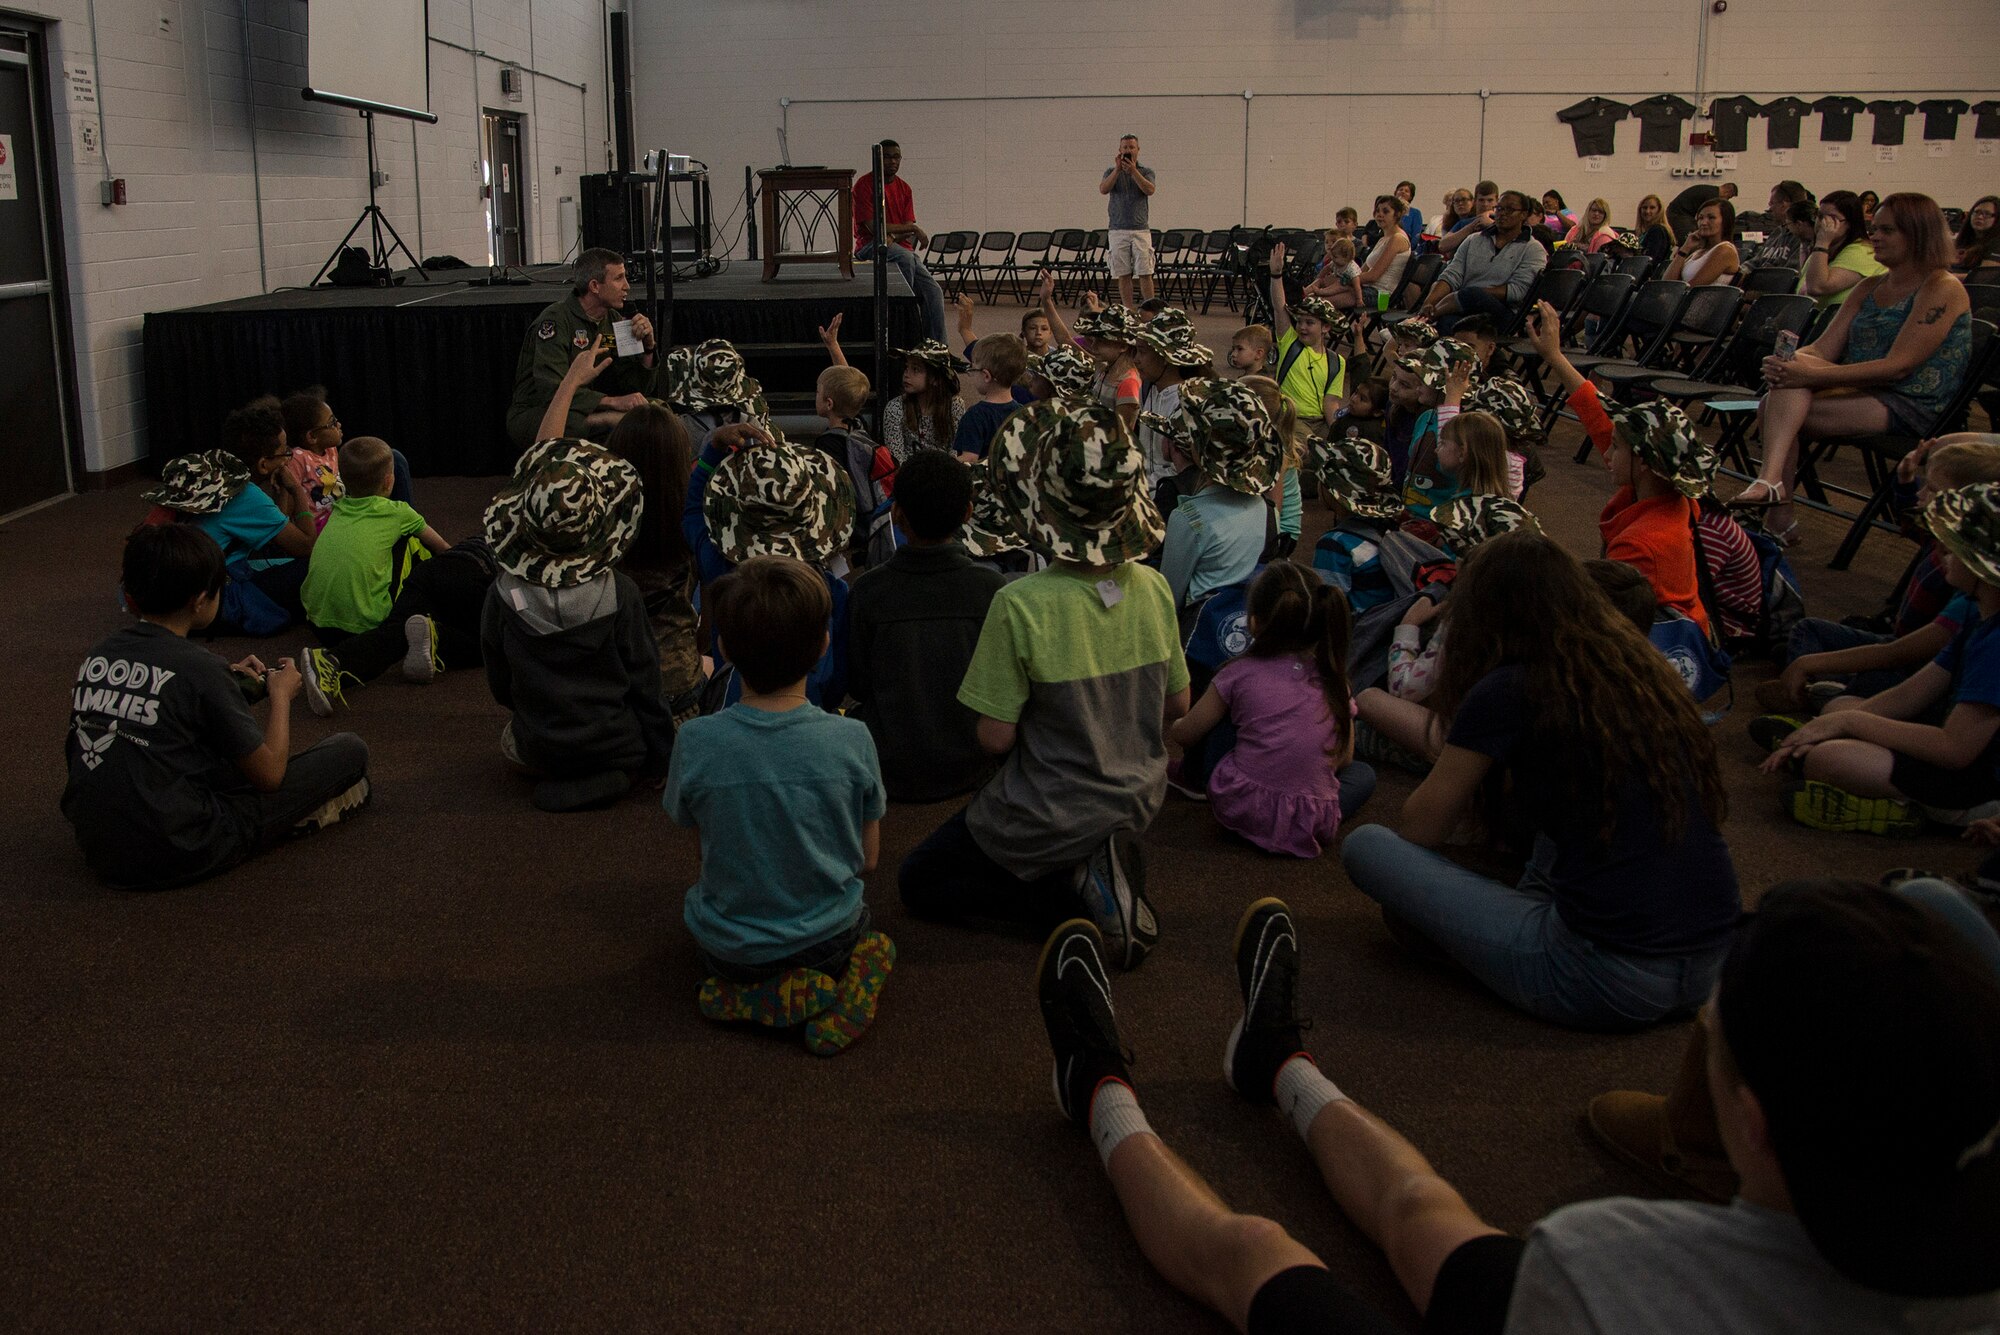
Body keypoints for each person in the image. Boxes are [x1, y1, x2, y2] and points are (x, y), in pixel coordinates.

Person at [1032, 877, 2000, 1335]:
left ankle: (1097, 1086)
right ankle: (1277, 1060)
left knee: (1249, 1252)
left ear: (1752, 1126)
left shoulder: (1605, 1266)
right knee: (1422, 1209)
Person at [1343, 529, 1739, 1029]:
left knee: (1368, 846)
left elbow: (1421, 827)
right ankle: (1522, 915)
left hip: (1607, 977)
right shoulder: (1642, 673)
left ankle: (1514, 939)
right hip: (1714, 967)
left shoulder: (1510, 687)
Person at [898, 401, 1189, 969]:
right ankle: (1093, 868)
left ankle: (1072, 898)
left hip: (1047, 810)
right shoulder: (1154, 588)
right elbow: (1178, 704)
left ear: (1043, 506)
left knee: (919, 880)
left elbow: (994, 738)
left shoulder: (1019, 603)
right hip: (1137, 799)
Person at [666, 555, 893, 1056]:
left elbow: (699, 842)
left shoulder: (696, 740)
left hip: (729, 952)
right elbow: (868, 859)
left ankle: (744, 996)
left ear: (724, 647)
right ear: (824, 645)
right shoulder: (853, 739)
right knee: (873, 938)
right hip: (830, 944)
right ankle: (852, 981)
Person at [63, 524, 371, 890]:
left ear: (132, 595)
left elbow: (156, 709)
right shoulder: (201, 669)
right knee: (349, 750)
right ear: (199, 600)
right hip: (184, 847)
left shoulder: (98, 655)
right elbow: (270, 775)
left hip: (99, 847)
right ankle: (290, 820)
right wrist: (280, 696)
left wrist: (228, 685)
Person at [1733, 193, 1974, 540]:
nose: (1875, 237)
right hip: (1863, 389)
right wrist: (1789, 361)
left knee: (1776, 406)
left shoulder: (1942, 287)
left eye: (1887, 230)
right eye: (1875, 229)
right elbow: (1823, 349)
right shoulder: (1869, 286)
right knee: (1786, 384)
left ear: (1918, 234)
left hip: (1912, 403)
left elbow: (1898, 367)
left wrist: (1809, 373)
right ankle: (1773, 497)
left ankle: (1776, 508)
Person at [1763, 482, 2000, 833]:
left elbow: (1955, 750)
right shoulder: (1975, 612)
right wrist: (1837, 722)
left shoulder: (1996, 642)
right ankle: (1819, 745)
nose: (1943, 552)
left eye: (1956, 548)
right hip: (1956, 748)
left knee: (1829, 758)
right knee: (1840, 708)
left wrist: (1850, 725)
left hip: (1978, 778)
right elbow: (1913, 693)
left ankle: (1937, 813)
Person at [480, 437, 676, 813]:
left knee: (510, 743)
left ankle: (559, 770)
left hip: (539, 747)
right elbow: (646, 683)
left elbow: (500, 684)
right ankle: (614, 772)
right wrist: (663, 758)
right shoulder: (621, 592)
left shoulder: (501, 595)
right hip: (617, 745)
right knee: (636, 730)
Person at [1757, 437, 2000, 714]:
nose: (1922, 495)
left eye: (1932, 490)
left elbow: (1902, 653)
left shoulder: (1970, 601)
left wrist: (1811, 663)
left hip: (1912, 663)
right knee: (1808, 631)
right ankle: (1826, 685)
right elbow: (1913, 523)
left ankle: (1825, 691)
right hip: (1898, 643)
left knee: (1871, 679)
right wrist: (1905, 481)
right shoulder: (1949, 553)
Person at [1526, 300, 1718, 634]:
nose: (1607, 453)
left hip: (1647, 644)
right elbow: (1600, 417)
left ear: (1642, 462)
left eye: (1616, 447)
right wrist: (1555, 356)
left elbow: (1603, 620)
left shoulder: (1641, 544)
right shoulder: (1666, 489)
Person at [1167, 563, 1374, 857]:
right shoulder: (1335, 680)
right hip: (1309, 824)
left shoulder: (1237, 672)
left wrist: (1173, 723)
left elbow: (1186, 734)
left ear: (1253, 622)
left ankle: (1195, 777)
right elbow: (1345, 758)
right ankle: (1303, 818)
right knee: (1364, 775)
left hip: (1240, 808)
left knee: (1226, 712)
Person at [845, 450, 1004, 802]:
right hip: (972, 764)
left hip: (889, 762)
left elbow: (857, 683)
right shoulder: (992, 590)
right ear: (968, 513)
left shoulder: (868, 591)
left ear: (896, 513)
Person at [296, 437, 460, 711]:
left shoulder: (337, 508)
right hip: (363, 629)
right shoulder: (399, 513)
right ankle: (336, 662)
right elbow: (443, 549)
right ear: (388, 481)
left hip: (317, 623)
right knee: (416, 545)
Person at [698, 431, 858, 709]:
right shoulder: (832, 591)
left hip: (734, 705)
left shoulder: (722, 574)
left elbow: (692, 514)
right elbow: (840, 673)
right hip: (814, 709)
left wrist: (714, 449)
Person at [1144, 378, 1282, 610]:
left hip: (1200, 626)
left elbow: (1168, 598)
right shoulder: (1266, 510)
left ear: (1198, 448)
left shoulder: (1188, 518)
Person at [504, 248, 657, 449]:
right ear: (594, 286)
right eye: (619, 278)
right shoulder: (556, 322)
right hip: (540, 411)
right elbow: (551, 390)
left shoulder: (613, 321)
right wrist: (611, 405)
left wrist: (648, 348)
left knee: (654, 412)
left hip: (584, 407)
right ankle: (601, 421)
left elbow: (635, 387)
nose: (627, 286)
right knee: (583, 423)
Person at [852, 139, 947, 343]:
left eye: (896, 157)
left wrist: (895, 235)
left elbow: (906, 226)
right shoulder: (864, 185)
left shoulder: (905, 188)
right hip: (868, 246)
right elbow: (873, 227)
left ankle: (938, 348)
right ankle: (906, 318)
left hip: (899, 246)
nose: (892, 161)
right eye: (887, 157)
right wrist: (912, 229)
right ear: (878, 159)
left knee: (934, 291)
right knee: (905, 258)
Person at [1415, 190, 1547, 332]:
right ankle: (1427, 317)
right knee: (1446, 323)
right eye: (1499, 208)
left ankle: (1427, 318)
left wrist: (1473, 294)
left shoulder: (1533, 249)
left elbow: (1517, 291)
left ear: (1524, 214)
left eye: (1509, 210)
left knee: (1472, 294)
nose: (1502, 213)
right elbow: (1451, 276)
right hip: (1464, 306)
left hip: (1503, 313)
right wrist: (1429, 302)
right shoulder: (1473, 240)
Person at [279, 387, 414, 520]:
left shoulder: (330, 449)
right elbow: (287, 508)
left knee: (394, 457)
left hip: (345, 510)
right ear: (312, 437)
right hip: (325, 523)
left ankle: (406, 520)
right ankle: (404, 523)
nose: (338, 425)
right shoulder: (297, 458)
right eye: (332, 423)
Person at [1133, 308, 1214, 487]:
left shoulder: (1186, 404)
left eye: (1142, 352)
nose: (1136, 359)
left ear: (1164, 356)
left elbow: (1182, 470)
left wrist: (1136, 485)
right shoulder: (1148, 388)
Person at [877, 340, 967, 463]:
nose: (906, 374)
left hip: (946, 469)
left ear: (935, 378)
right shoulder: (895, 407)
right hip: (909, 471)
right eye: (906, 367)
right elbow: (896, 458)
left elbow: (955, 450)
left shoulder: (954, 405)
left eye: (915, 369)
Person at [1798, 190, 1887, 308]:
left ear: (1850, 223)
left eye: (1832, 218)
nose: (1822, 223)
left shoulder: (1863, 252)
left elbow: (1817, 287)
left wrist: (1822, 242)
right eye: (1820, 216)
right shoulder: (1820, 254)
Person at [1099, 133, 1158, 308]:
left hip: (1140, 229)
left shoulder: (1146, 172)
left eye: (1131, 147)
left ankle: (1150, 309)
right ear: (1119, 150)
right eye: (1125, 147)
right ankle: (1129, 310)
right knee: (1123, 273)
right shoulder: (1111, 172)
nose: (1128, 150)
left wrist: (1133, 171)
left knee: (1145, 271)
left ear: (1138, 150)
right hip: (1117, 230)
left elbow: (1149, 189)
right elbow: (1103, 189)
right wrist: (1118, 170)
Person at [951, 298, 1044, 404]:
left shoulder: (979, 412)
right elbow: (986, 353)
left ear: (987, 375)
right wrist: (965, 330)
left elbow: (986, 355)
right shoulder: (1031, 377)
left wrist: (965, 330)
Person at [953, 333, 1027, 461]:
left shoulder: (975, 416)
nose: (971, 373)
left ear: (986, 376)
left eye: (972, 369)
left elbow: (970, 459)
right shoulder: (1024, 412)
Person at [1347, 197, 1411, 311]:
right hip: (1368, 288)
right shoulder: (1383, 239)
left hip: (1380, 294)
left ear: (1397, 215)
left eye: (1385, 211)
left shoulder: (1398, 238)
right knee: (1324, 293)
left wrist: (1345, 280)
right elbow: (1361, 271)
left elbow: (1373, 276)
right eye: (1377, 211)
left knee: (1325, 301)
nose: (1379, 215)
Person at [1739, 180, 1815, 273]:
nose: (1770, 208)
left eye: (1772, 203)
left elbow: (1790, 274)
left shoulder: (1802, 237)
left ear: (1784, 205)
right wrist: (1739, 272)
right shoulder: (1777, 232)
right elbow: (1753, 263)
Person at [1665, 196, 1741, 286]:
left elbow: (1694, 287)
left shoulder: (1725, 250)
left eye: (1711, 217)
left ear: (1725, 221)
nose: (1703, 223)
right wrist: (1685, 248)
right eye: (1700, 218)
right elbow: (1667, 283)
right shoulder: (1698, 252)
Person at [1436, 180, 1500, 257]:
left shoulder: (1503, 223)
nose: (1485, 204)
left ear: (1497, 201)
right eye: (1481, 200)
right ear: (1475, 201)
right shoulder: (1464, 223)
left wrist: (1492, 225)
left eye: (1490, 200)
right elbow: (1442, 246)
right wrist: (1473, 225)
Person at [1955, 194, 1999, 273]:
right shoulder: (1964, 239)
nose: (1980, 217)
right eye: (1977, 212)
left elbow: (1985, 275)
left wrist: (1947, 277)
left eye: (1987, 214)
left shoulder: (1997, 243)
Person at [1634, 193, 1676, 266]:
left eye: (1652, 208)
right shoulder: (1645, 232)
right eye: (1644, 207)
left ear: (1659, 210)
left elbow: (1651, 259)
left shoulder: (1657, 230)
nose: (1647, 211)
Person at [1393, 180, 1424, 246]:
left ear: (1410, 197)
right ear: (1395, 193)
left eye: (1406, 191)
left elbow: (1416, 235)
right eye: (1400, 190)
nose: (1403, 192)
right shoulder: (1389, 211)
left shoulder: (1415, 213)